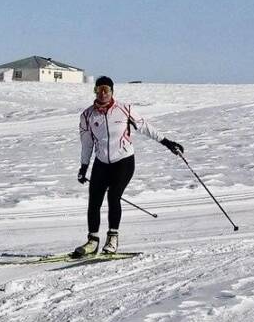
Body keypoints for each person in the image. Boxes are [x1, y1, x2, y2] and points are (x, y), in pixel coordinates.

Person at [74, 76, 183, 257]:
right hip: (101, 163)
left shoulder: (124, 109)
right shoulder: (87, 115)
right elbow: (86, 144)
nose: (103, 93)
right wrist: (83, 167)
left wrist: (167, 142)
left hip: (123, 161)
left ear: (112, 92)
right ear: (95, 90)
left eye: (106, 90)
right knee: (94, 200)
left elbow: (145, 127)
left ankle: (112, 238)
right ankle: (92, 241)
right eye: (99, 89)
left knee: (113, 196)